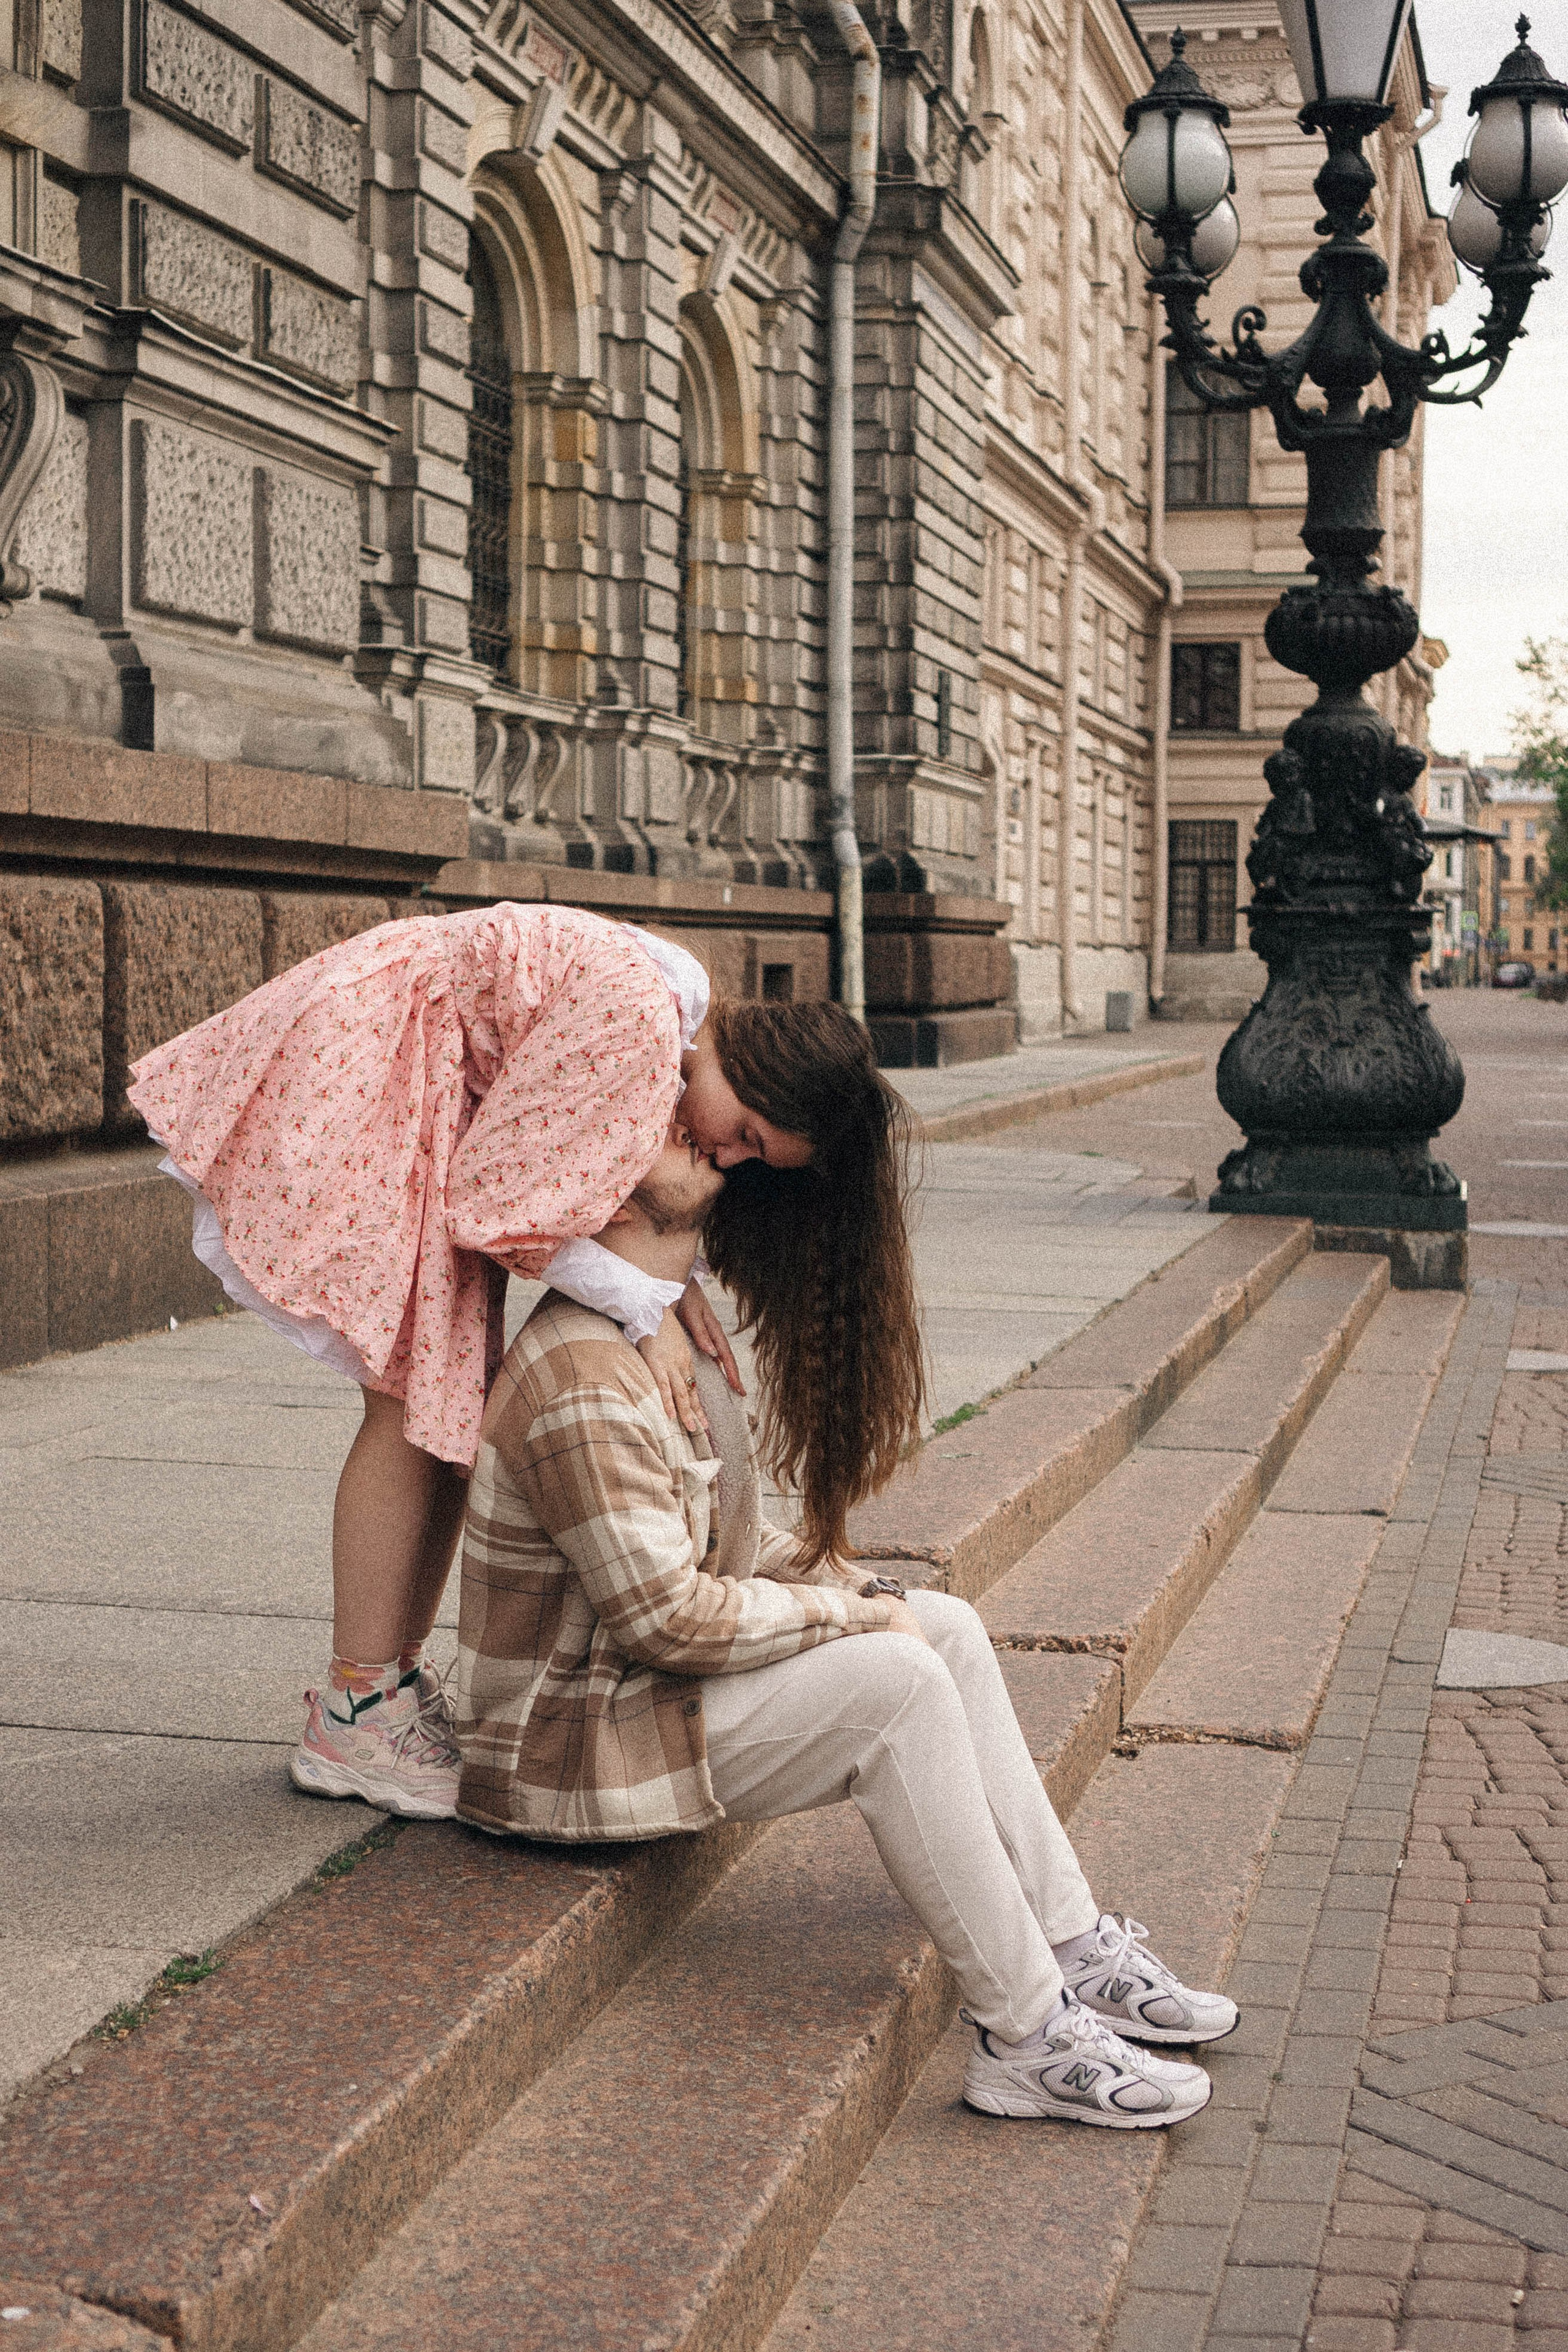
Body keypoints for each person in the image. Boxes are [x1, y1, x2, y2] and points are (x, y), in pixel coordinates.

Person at [455, 1130, 1239, 2130]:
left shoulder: (656, 1328)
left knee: (941, 1626)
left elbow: (719, 1534)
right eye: (651, 1133)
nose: (691, 1130)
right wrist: (847, 1616)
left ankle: (1071, 1940)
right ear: (606, 1198)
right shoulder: (581, 1374)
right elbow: (665, 1618)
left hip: (634, 1686)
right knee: (896, 1687)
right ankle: (1027, 2036)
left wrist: (847, 1579)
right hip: (572, 1740)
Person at [124, 903, 925, 1819]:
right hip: (379, 1070)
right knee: (404, 1403)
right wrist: (641, 1303)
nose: (725, 1154)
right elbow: (498, 1210)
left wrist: (668, 1280)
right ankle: (353, 1711)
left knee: (443, 1410)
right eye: (745, 1133)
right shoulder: (640, 1027)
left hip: (413, 1077)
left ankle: (384, 1688)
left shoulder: (676, 1021)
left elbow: (569, 1172)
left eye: (749, 1160)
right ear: (755, 1069)